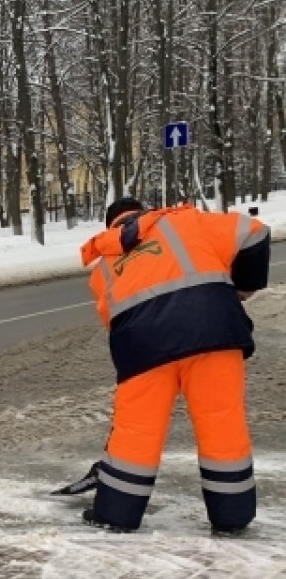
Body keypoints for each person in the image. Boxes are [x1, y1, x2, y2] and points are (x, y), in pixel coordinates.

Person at [75, 196, 270, 533]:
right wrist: (242, 287)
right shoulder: (189, 221)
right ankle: (232, 518)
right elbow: (256, 233)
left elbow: (114, 320)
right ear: (145, 213)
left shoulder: (104, 266)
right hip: (213, 332)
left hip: (143, 349)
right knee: (222, 423)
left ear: (112, 227)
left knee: (136, 432)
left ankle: (116, 516)